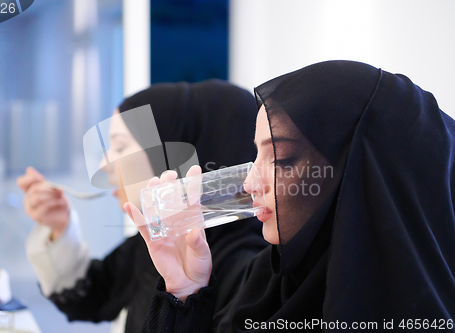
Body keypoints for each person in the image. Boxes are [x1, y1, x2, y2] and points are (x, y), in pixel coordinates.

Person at [125, 60, 455, 332]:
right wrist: (184, 294)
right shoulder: (267, 286)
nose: (250, 182)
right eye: (255, 157)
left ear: (355, 175)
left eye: (280, 159)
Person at [17, 80, 268, 333]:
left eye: (120, 145)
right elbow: (89, 298)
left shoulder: (252, 277)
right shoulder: (156, 243)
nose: (105, 163)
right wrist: (59, 226)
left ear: (172, 154)